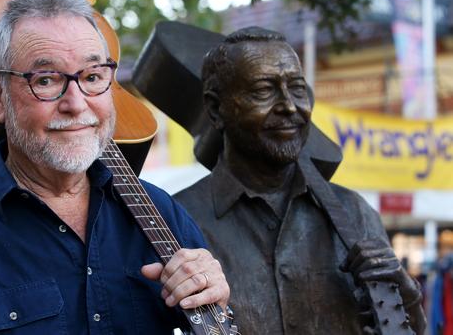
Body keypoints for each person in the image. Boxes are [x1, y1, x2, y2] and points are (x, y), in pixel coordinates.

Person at [0, 0, 230, 335]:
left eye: (92, 77)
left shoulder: (164, 215)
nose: (76, 104)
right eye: (46, 80)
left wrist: (215, 306)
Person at [174, 26, 426, 334]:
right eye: (264, 91)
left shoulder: (354, 213)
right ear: (216, 109)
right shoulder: (176, 220)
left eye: (297, 88)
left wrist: (406, 298)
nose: (290, 107)